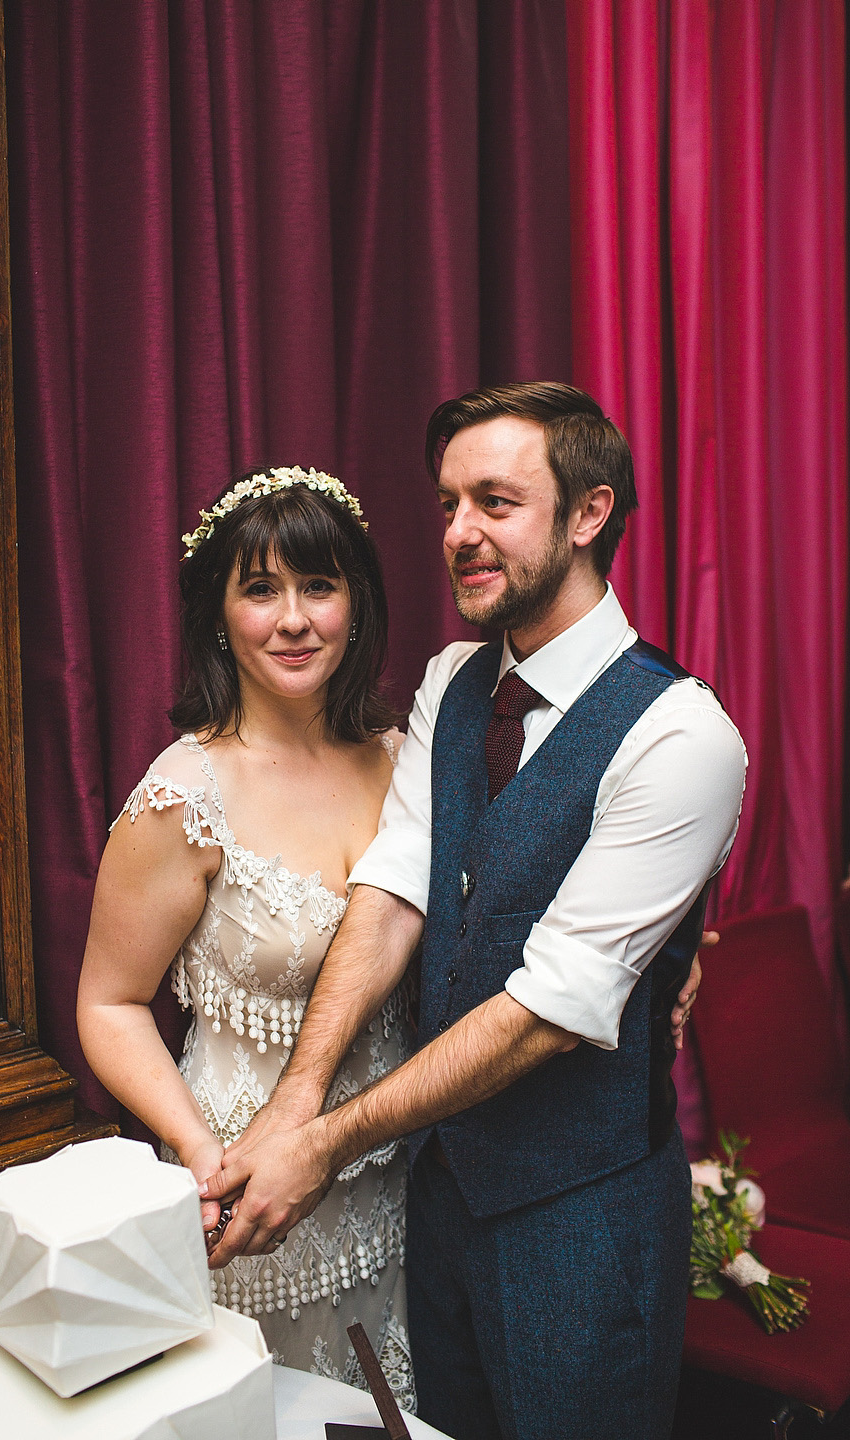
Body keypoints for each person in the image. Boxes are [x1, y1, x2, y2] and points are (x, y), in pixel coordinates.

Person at [201, 385, 748, 1440]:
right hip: (441, 1200)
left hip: (583, 1223)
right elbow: (395, 893)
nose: (459, 533)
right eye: (449, 503)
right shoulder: (453, 681)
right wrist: (292, 1100)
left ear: (589, 513)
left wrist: (323, 1146)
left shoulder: (682, 738)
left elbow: (551, 1006)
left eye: (496, 502)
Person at [76, 466, 415, 1407]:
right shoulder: (187, 795)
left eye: (319, 585)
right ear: (219, 614)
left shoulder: (406, 759)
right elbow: (106, 1004)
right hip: (246, 1199)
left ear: (359, 601)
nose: (294, 619)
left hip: (391, 1191)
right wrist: (198, 1156)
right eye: (260, 589)